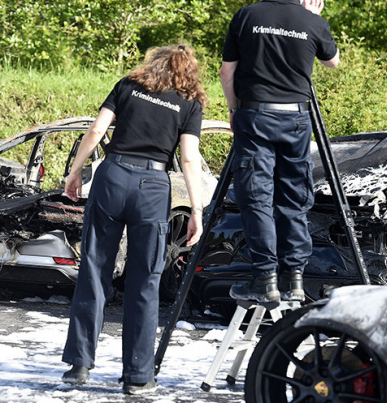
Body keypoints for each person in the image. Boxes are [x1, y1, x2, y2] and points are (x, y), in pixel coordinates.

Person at [60, 45, 207, 395]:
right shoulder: (190, 104)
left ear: (153, 63)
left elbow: (96, 131)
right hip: (153, 187)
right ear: (188, 72)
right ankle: (138, 377)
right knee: (145, 281)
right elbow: (188, 159)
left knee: (95, 270)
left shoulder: (128, 85)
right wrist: (197, 210)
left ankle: (79, 366)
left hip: (112, 176)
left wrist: (75, 171)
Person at [220, 0, 340, 303]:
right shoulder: (312, 20)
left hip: (255, 115)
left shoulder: (248, 15)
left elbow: (226, 71)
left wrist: (233, 109)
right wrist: (311, 19)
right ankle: (295, 278)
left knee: (256, 195)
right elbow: (333, 61)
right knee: (294, 197)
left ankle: (264, 278)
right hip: (296, 119)